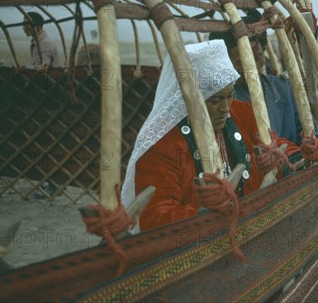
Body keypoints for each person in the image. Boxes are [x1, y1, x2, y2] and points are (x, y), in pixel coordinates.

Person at [121, 40, 300, 231]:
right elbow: (155, 214)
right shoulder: (161, 142)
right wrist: (205, 214)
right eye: (215, 100)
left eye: (229, 95)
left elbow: (274, 145)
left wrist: (300, 155)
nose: (225, 107)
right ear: (187, 98)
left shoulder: (242, 113)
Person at [209, 11, 303, 145]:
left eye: (258, 59)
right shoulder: (223, 99)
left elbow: (306, 131)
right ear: (226, 62)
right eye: (242, 63)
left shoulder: (283, 88)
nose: (252, 68)